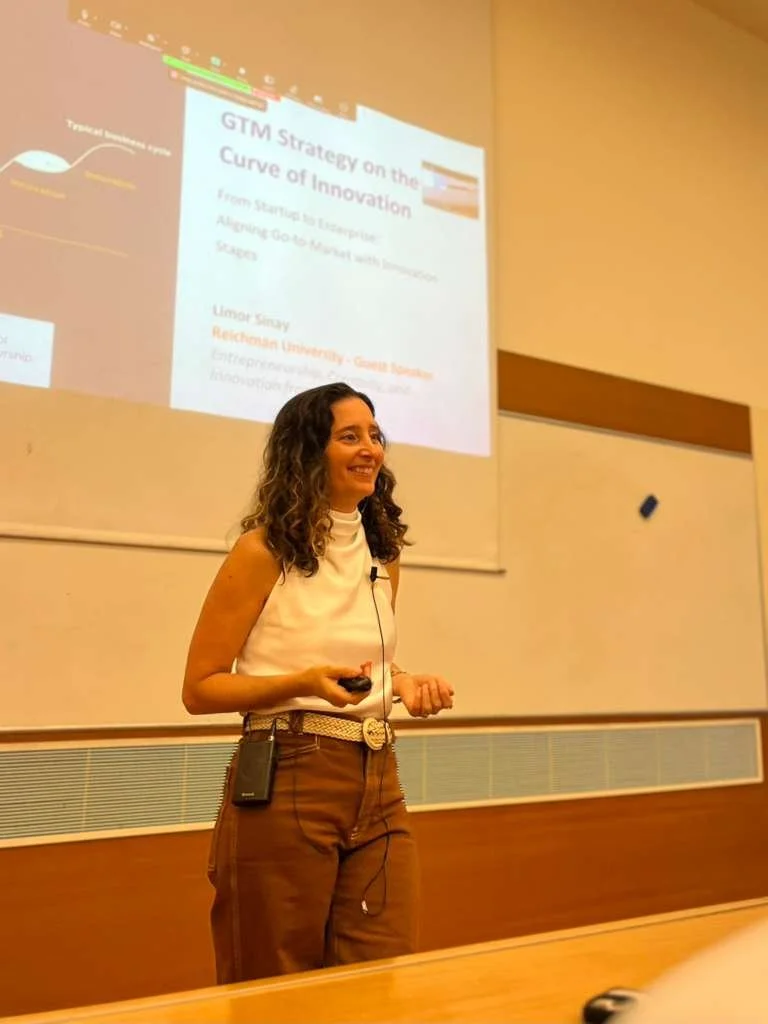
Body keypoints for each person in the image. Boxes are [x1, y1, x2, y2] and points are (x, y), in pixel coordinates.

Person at [182, 381, 454, 984]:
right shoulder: (262, 551)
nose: (370, 449)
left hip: (378, 776)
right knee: (274, 983)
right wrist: (303, 682)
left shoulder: (383, 554)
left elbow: (364, 664)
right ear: (308, 451)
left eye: (375, 435)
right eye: (349, 436)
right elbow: (200, 688)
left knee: (377, 974)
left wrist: (403, 681)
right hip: (288, 769)